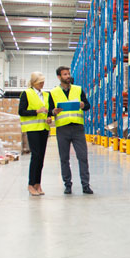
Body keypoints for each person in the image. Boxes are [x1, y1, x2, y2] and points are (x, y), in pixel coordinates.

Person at [47, 66, 93, 194]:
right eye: (65, 74)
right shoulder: (54, 92)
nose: (68, 76)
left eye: (68, 74)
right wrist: (53, 112)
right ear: (59, 77)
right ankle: (67, 185)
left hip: (77, 128)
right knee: (64, 158)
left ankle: (86, 185)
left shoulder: (78, 89)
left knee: (83, 157)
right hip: (62, 129)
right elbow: (50, 110)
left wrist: (84, 105)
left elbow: (87, 105)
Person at [19, 72, 51, 196]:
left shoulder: (46, 95)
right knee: (36, 156)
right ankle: (31, 184)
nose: (42, 84)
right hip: (33, 128)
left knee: (41, 157)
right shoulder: (26, 93)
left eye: (43, 81)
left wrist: (49, 117)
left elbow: (48, 111)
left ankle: (38, 184)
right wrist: (36, 111)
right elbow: (21, 111)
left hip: (43, 128)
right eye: (40, 82)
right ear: (34, 82)